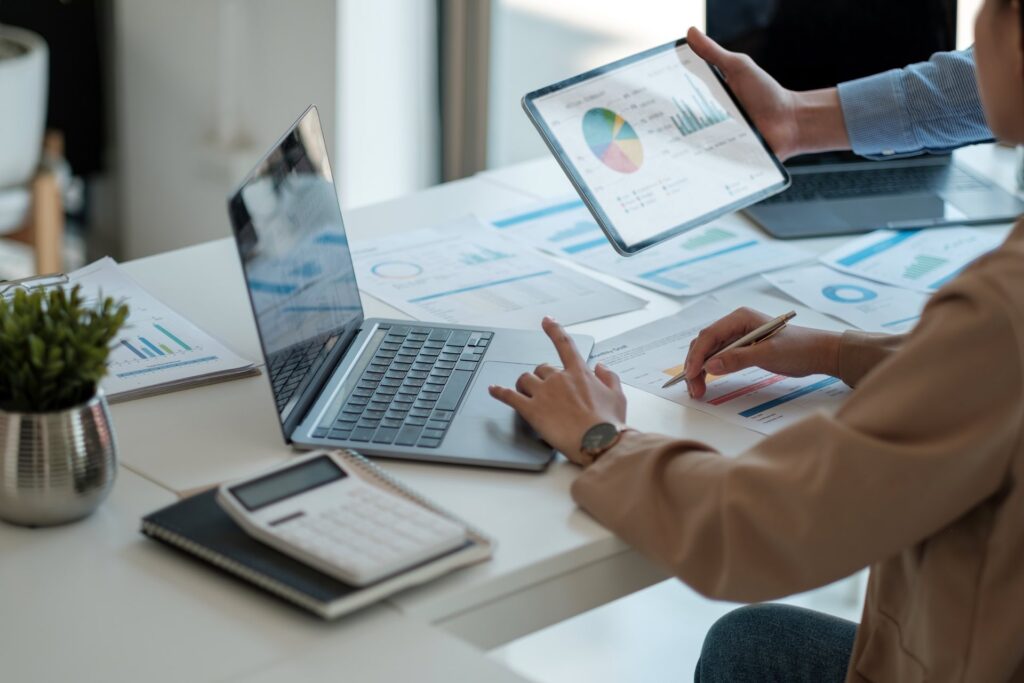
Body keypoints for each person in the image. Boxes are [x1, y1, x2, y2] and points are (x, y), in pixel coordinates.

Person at [487, 1, 1024, 680]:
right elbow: (991, 380)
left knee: (747, 649)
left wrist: (604, 439)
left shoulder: (1000, 310)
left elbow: (770, 528)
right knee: (753, 644)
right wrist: (836, 352)